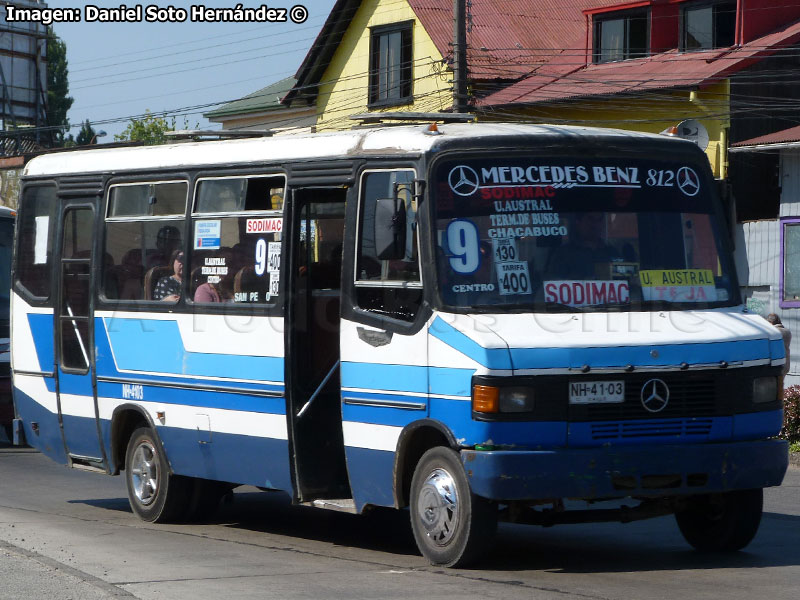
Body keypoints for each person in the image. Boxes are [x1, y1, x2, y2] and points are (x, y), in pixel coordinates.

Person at [546, 212, 623, 280]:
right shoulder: (563, 254)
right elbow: (554, 283)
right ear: (578, 222)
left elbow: (624, 280)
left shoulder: (612, 253)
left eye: (599, 220)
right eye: (590, 219)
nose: (595, 225)